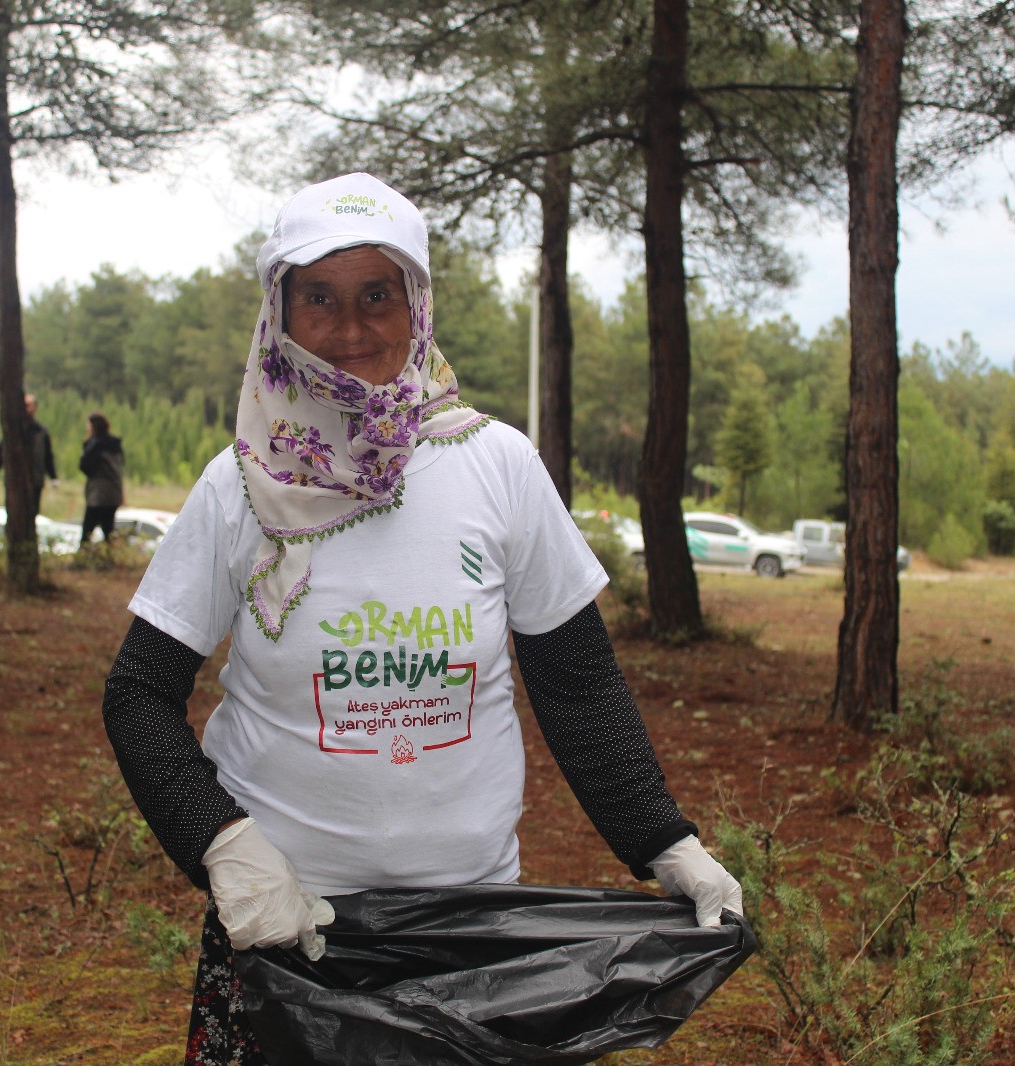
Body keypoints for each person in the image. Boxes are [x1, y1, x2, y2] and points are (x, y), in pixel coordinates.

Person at [100, 173, 742, 1065]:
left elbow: (578, 681)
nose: (352, 329)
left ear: (418, 305)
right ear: (279, 309)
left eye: (378, 295)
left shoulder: (496, 466)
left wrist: (664, 841)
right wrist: (226, 848)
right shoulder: (241, 485)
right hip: (291, 930)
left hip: (473, 932)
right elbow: (137, 692)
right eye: (319, 297)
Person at [0, 393, 59, 512]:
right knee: (15, 511)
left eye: (28, 405)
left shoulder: (41, 432)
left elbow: (48, 456)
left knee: (33, 511)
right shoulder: (13, 431)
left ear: (35, 408)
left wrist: (53, 477)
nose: (26, 409)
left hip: (35, 479)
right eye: (24, 406)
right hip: (15, 480)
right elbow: (1, 451)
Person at [79, 412, 125, 545]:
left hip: (98, 493)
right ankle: (108, 557)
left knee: (88, 528)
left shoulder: (94, 445)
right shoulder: (115, 444)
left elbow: (85, 466)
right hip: (114, 492)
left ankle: (83, 558)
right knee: (108, 528)